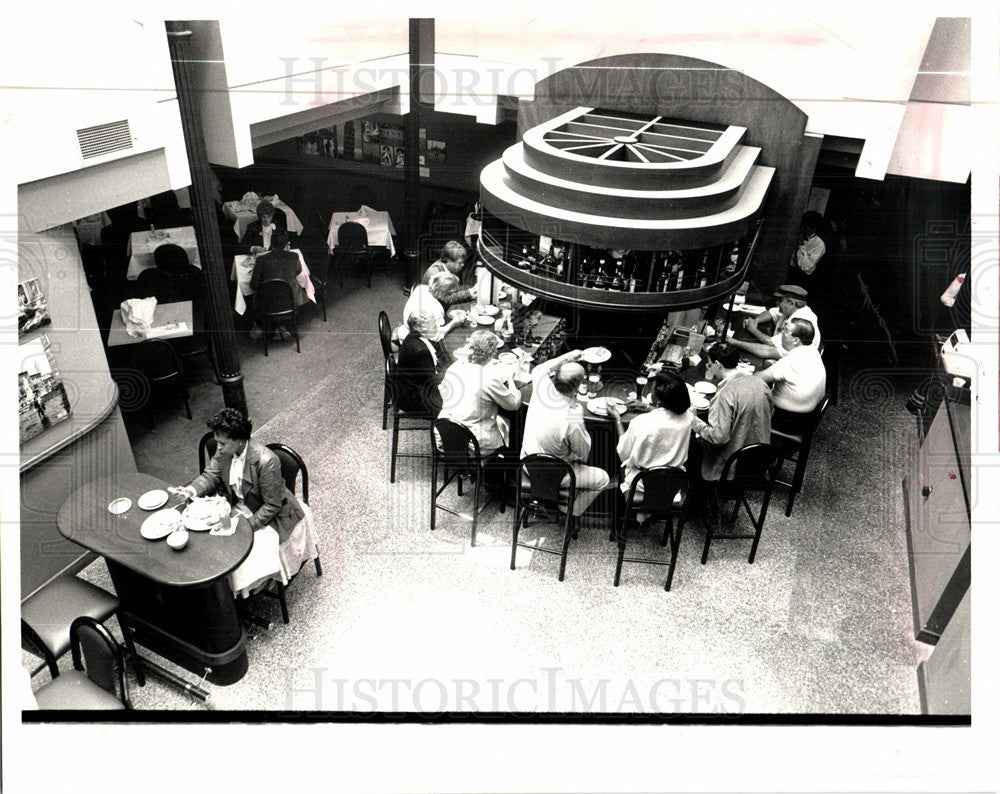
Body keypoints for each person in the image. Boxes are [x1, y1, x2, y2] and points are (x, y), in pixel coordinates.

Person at [170, 408, 319, 596]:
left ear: (239, 440)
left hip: (271, 516)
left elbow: (272, 506)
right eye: (218, 442)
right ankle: (222, 595)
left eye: (223, 443)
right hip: (240, 506)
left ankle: (239, 595)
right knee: (209, 542)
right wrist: (190, 490)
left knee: (233, 555)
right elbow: (211, 474)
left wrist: (244, 528)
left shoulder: (267, 461)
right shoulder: (225, 449)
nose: (219, 447)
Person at [520, 349, 611, 516]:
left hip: (527, 464)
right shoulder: (573, 416)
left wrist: (567, 357)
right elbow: (583, 453)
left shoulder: (542, 386)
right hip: (558, 475)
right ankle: (570, 511)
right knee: (603, 479)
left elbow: (539, 369)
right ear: (579, 385)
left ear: (556, 377)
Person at [689, 342, 773, 489]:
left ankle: (697, 497)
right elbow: (770, 411)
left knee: (690, 446)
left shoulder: (725, 395)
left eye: (709, 365)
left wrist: (695, 421)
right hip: (757, 458)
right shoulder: (759, 382)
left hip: (732, 464)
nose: (709, 368)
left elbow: (718, 437)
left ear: (717, 364)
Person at [438, 330, 522, 457]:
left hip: (445, 433)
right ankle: (508, 464)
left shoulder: (454, 367)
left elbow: (442, 392)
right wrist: (511, 379)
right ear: (493, 353)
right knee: (509, 423)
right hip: (473, 442)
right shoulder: (488, 378)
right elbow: (514, 404)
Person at [609, 372, 693, 497]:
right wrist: (646, 407)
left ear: (658, 400)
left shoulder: (640, 422)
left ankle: (641, 511)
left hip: (641, 483)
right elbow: (669, 416)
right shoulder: (689, 418)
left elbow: (623, 454)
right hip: (673, 482)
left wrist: (617, 420)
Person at [757, 319, 826, 435]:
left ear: (795, 340)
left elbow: (757, 378)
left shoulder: (791, 361)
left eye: (785, 330)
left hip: (786, 420)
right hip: (805, 416)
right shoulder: (811, 351)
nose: (781, 333)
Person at [731, 284, 821, 361]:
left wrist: (752, 329)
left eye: (780, 301)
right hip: (777, 354)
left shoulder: (801, 320)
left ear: (792, 303)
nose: (777, 303)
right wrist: (756, 321)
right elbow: (772, 312)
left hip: (791, 362)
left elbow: (771, 344)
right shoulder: (791, 309)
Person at [248, 230, 306, 341]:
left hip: (267, 305)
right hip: (290, 303)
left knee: (259, 296)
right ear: (287, 244)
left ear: (271, 244)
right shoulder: (294, 256)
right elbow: (298, 271)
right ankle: (282, 327)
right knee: (294, 287)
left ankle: (272, 327)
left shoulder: (261, 259)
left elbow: (253, 285)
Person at [395, 309, 453, 416]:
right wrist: (453, 371)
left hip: (411, 388)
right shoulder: (420, 350)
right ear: (422, 330)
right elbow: (432, 381)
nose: (437, 327)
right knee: (458, 398)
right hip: (415, 399)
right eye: (434, 326)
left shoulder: (414, 337)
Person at [395, 272, 467, 344]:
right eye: (452, 293)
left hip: (410, 329)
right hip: (418, 341)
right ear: (444, 293)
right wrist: (454, 322)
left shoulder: (422, 288)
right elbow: (435, 336)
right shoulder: (435, 307)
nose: (454, 295)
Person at [422, 241, 476, 306]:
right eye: (459, 263)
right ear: (448, 261)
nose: (462, 265)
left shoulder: (449, 267)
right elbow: (446, 299)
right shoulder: (435, 274)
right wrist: (471, 292)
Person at [788, 210, 826, 287]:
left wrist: (801, 246)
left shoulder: (819, 245)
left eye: (805, 228)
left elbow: (805, 266)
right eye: (801, 226)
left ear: (813, 229)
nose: (802, 230)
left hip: (801, 277)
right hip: (787, 269)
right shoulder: (795, 233)